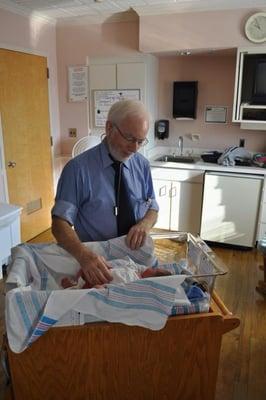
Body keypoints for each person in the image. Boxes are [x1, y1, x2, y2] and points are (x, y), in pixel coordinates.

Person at [51, 99, 159, 286]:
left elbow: (153, 207)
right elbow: (59, 224)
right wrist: (84, 256)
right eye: (130, 138)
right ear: (109, 128)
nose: (134, 148)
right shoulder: (77, 170)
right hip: (98, 264)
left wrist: (145, 224)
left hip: (138, 261)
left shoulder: (141, 165)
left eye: (141, 141)